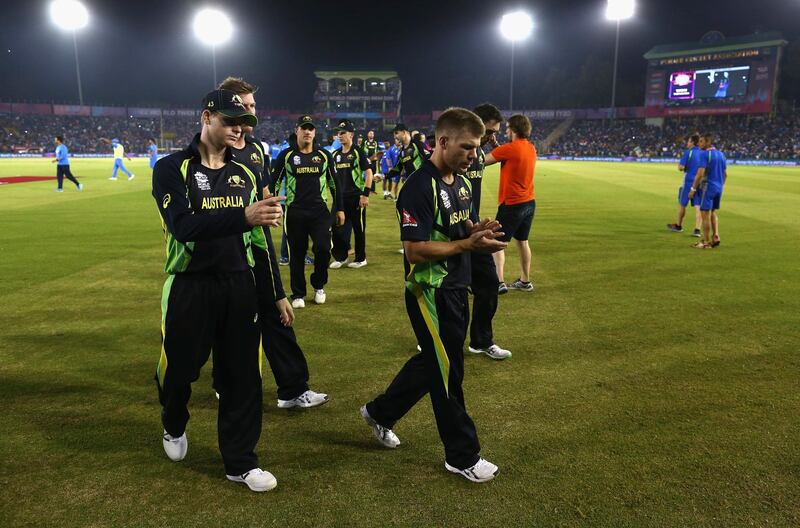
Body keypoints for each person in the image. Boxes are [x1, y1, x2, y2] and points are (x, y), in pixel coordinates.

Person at [361, 107, 506, 483]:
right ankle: (462, 455)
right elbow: (415, 250)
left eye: (476, 148)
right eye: (468, 147)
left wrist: (479, 232)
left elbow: (461, 227)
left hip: (456, 287)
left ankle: (380, 412)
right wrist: (466, 246)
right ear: (443, 142)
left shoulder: (458, 181)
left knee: (436, 363)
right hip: (429, 292)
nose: (475, 155)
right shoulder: (417, 187)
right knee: (448, 373)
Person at [152, 88, 285, 492]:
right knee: (180, 372)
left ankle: (240, 462)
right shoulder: (171, 168)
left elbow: (260, 242)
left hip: (238, 285)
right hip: (189, 287)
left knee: (243, 376)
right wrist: (243, 216)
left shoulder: (245, 173)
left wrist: (276, 291)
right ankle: (173, 422)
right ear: (207, 117)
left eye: (245, 121)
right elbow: (183, 226)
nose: (240, 128)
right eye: (231, 120)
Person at [219, 77, 329, 409]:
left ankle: (292, 389)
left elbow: (264, 191)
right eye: (247, 105)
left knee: (277, 311)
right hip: (227, 250)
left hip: (260, 244)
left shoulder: (255, 150)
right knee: (233, 318)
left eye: (254, 105)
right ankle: (225, 382)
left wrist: (271, 205)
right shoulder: (212, 151)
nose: (254, 111)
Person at [271, 115, 344, 308]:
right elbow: (274, 182)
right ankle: (298, 294)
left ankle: (319, 285)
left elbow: (335, 184)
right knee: (296, 253)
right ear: (297, 131)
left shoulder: (324, 156)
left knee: (323, 249)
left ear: (315, 132)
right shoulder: (286, 156)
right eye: (304, 128)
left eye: (311, 128)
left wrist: (340, 209)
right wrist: (273, 205)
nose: (307, 132)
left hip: (320, 212)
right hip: (295, 212)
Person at [462, 103, 511, 360]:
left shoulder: (479, 152)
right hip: (453, 232)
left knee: (489, 286)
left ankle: (481, 341)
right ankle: (432, 339)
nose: (494, 136)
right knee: (448, 292)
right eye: (490, 131)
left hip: (475, 229)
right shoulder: (459, 151)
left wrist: (490, 141)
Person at [484, 114, 537, 294]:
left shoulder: (509, 148)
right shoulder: (531, 148)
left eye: (507, 128)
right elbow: (508, 156)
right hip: (529, 202)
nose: (505, 131)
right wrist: (495, 146)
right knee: (523, 241)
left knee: (495, 241)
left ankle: (498, 282)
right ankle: (525, 280)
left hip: (512, 204)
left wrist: (483, 145)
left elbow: (481, 162)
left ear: (513, 130)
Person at [329, 119, 373, 269]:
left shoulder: (358, 152)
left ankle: (361, 258)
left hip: (356, 197)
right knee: (336, 228)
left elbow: (369, 173)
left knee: (358, 229)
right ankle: (341, 257)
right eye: (338, 133)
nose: (340, 136)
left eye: (343, 133)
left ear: (351, 135)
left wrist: (365, 194)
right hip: (340, 199)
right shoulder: (335, 155)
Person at [688, 132, 728, 249]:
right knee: (713, 213)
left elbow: (700, 174)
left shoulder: (704, 154)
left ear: (708, 142)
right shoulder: (721, 154)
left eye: (701, 141)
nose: (699, 143)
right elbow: (725, 174)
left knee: (705, 214)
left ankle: (705, 242)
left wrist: (693, 189)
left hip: (708, 187)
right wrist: (720, 186)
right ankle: (716, 236)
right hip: (718, 188)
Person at [667, 134, 703, 236]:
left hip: (688, 181)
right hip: (699, 181)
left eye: (688, 141)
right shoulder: (702, 153)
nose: (687, 143)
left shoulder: (688, 153)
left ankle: (679, 226)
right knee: (698, 206)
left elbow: (681, 167)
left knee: (683, 204)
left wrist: (682, 166)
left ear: (692, 142)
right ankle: (697, 230)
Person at [386, 123, 429, 200]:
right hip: (412, 188)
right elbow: (397, 169)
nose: (394, 136)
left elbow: (429, 160)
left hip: (424, 187)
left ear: (404, 132)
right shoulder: (401, 152)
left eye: (396, 133)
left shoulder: (417, 144)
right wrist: (383, 176)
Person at [364, 130, 379, 194]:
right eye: (370, 133)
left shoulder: (375, 142)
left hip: (374, 161)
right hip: (368, 160)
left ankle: (373, 190)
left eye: (372, 134)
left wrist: (375, 157)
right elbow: (365, 151)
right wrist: (368, 159)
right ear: (368, 135)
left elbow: (375, 151)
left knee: (374, 175)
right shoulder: (366, 142)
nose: (371, 135)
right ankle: (368, 189)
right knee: (368, 175)